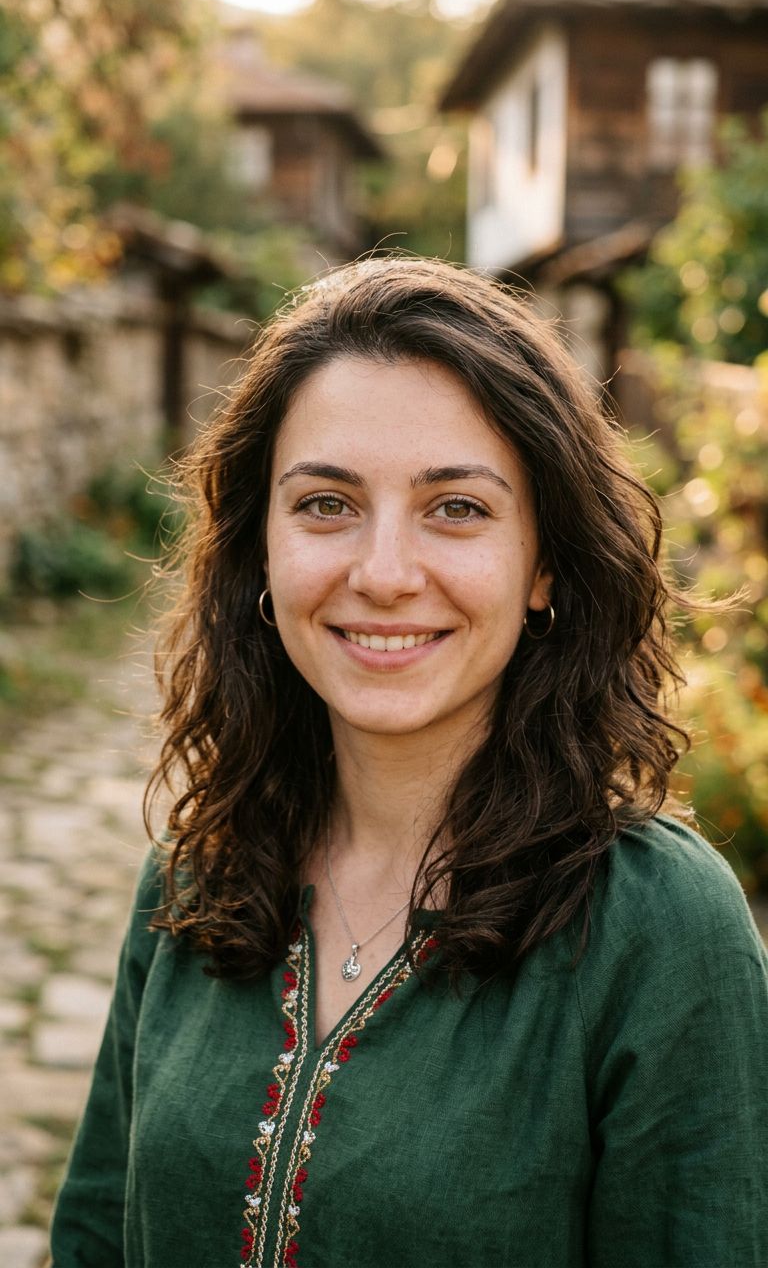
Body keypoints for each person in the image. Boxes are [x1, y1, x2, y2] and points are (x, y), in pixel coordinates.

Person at [50, 256, 768, 1268]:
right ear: (262, 550)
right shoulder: (195, 876)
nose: (383, 573)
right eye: (326, 503)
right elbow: (93, 1235)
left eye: (457, 507)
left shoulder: (657, 931)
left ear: (545, 564)